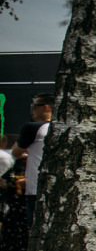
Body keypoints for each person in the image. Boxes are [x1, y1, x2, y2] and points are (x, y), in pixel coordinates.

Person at [13, 95, 53, 228]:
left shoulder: (33, 128)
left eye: (34, 107)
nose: (32, 111)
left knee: (36, 229)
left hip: (36, 187)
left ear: (46, 107)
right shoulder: (66, 129)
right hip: (59, 187)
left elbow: (16, 152)